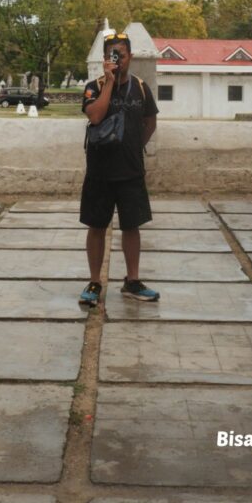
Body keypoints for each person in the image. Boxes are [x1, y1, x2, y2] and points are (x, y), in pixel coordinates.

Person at [78, 32, 160, 306]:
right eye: (112, 56)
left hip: (130, 170)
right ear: (104, 59)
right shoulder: (94, 86)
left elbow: (150, 122)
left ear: (130, 57)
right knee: (97, 226)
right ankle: (94, 282)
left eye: (121, 56)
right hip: (100, 171)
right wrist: (110, 82)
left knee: (132, 226)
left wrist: (135, 146)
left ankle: (132, 281)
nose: (117, 61)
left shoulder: (141, 87)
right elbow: (96, 115)